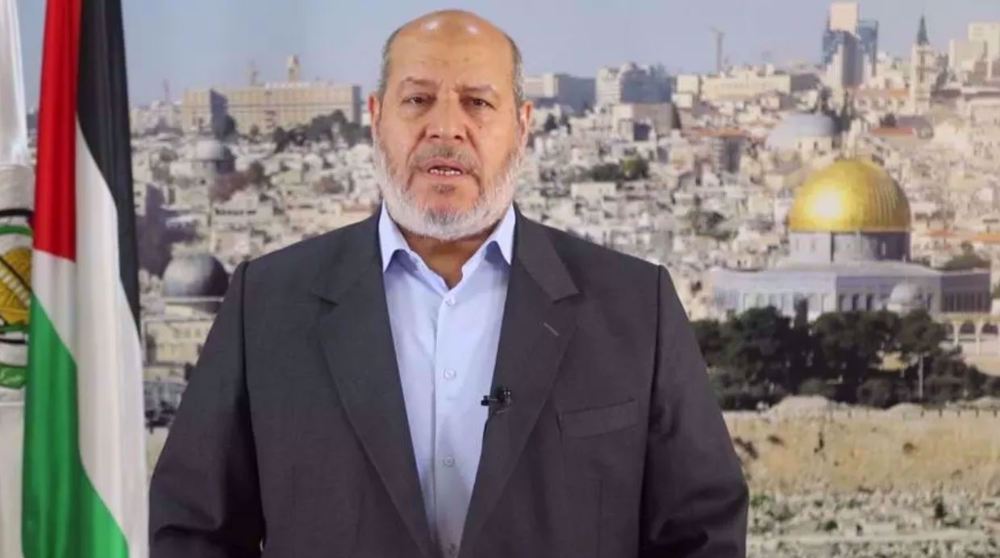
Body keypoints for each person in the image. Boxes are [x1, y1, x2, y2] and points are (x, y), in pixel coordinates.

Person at [149, 9, 748, 558]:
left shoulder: (634, 309)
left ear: (523, 126)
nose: (446, 128)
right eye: (418, 100)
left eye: (478, 103)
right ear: (377, 119)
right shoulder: (269, 306)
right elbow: (195, 528)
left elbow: (701, 531)